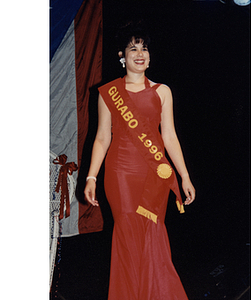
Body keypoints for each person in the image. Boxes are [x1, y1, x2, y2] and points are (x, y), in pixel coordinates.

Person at [84, 23, 196, 300]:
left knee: (153, 236)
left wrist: (184, 176)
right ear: (122, 55)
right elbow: (101, 138)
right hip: (120, 173)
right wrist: (91, 176)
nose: (140, 53)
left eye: (144, 48)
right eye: (133, 48)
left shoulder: (162, 91)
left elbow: (169, 137)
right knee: (126, 233)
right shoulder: (108, 93)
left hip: (154, 174)